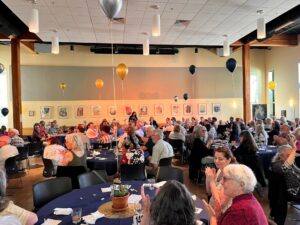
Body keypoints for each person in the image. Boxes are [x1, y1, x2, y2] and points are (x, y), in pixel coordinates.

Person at [203, 164, 268, 225]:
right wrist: (219, 215)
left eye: (225, 179)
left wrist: (213, 217)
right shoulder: (250, 199)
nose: (222, 183)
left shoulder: (239, 211)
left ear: (241, 184)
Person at [205, 147, 236, 218]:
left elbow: (221, 205)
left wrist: (212, 181)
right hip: (213, 209)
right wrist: (208, 178)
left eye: (220, 159)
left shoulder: (230, 176)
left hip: (223, 214)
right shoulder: (219, 170)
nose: (216, 161)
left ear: (229, 160)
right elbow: (209, 192)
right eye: (215, 158)